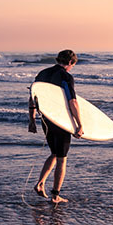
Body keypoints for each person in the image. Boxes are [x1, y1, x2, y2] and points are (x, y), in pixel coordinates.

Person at [28, 50, 83, 203]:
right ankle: (55, 195)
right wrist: (79, 124)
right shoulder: (66, 76)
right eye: (73, 65)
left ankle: (40, 184)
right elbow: (73, 102)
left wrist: (32, 120)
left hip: (46, 119)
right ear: (71, 63)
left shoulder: (43, 73)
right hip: (60, 121)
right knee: (62, 158)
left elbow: (32, 97)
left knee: (54, 153)